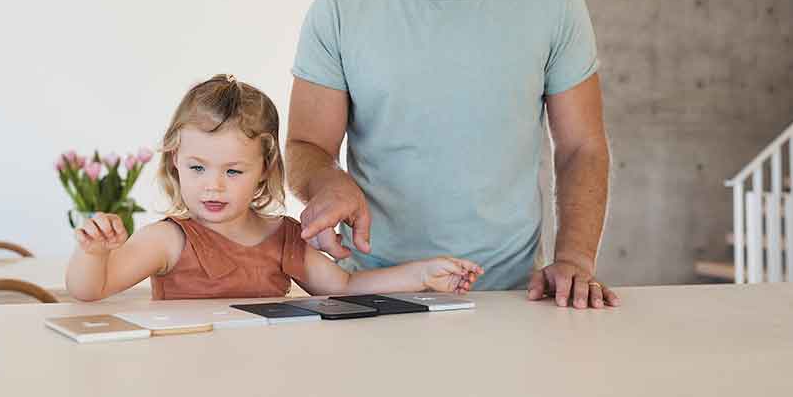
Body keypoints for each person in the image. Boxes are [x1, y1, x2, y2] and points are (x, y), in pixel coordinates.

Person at [287, 0, 620, 309]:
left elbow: (581, 148)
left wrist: (574, 258)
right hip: (376, 291)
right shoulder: (339, 7)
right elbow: (307, 143)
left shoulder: (552, 0)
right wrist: (328, 181)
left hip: (506, 298)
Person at [65, 74, 482, 302]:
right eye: (197, 167)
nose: (212, 186)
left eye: (233, 172)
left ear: (265, 170)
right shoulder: (169, 240)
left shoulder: (282, 235)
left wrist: (422, 274)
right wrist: (93, 254)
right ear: (175, 160)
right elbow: (90, 290)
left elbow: (346, 287)